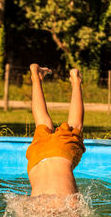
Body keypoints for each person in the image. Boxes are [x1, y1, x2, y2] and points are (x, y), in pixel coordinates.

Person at [26, 63, 86, 198]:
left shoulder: (66, 207)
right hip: (36, 159)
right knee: (41, 124)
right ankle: (36, 77)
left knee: (75, 126)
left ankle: (75, 80)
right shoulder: (34, 209)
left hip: (61, 154)